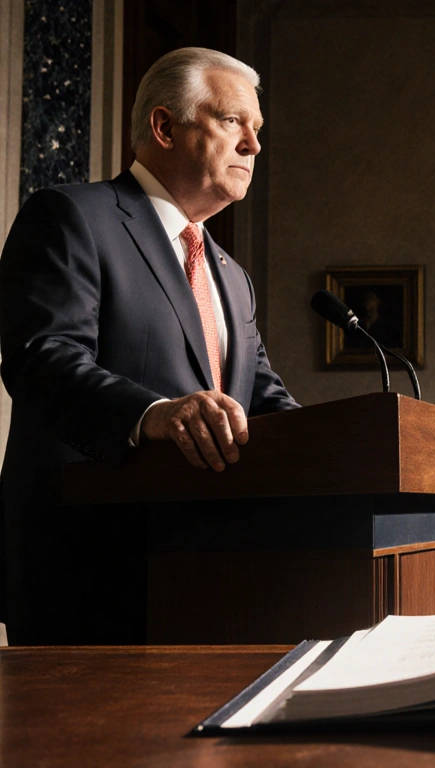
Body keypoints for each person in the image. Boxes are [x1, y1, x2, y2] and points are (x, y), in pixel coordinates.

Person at [0, 48, 299, 644]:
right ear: (164, 127)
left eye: (258, 130)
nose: (254, 147)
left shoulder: (231, 278)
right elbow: (43, 359)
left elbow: (263, 400)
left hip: (208, 573)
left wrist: (344, 445)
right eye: (233, 121)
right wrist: (154, 414)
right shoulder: (71, 216)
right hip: (87, 569)